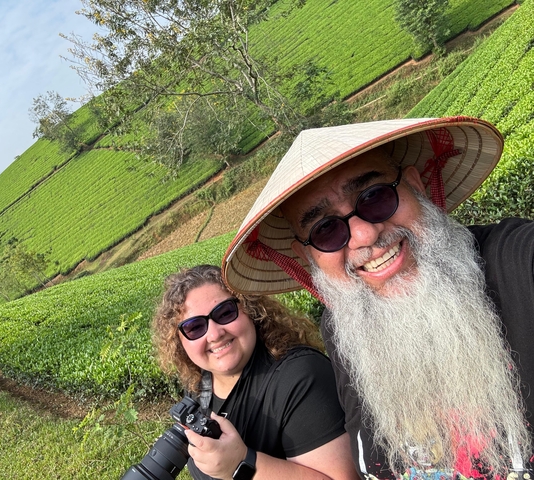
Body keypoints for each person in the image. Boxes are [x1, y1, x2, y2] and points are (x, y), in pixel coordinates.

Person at [221, 117, 534, 479]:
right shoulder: (345, 327)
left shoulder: (515, 261)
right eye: (325, 230)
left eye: (375, 196)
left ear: (416, 186)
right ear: (308, 257)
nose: (364, 235)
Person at [152, 264, 359, 480]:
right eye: (194, 327)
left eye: (225, 313)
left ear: (250, 310)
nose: (214, 334)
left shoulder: (300, 376)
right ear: (179, 342)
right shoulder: (199, 384)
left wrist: (241, 464)